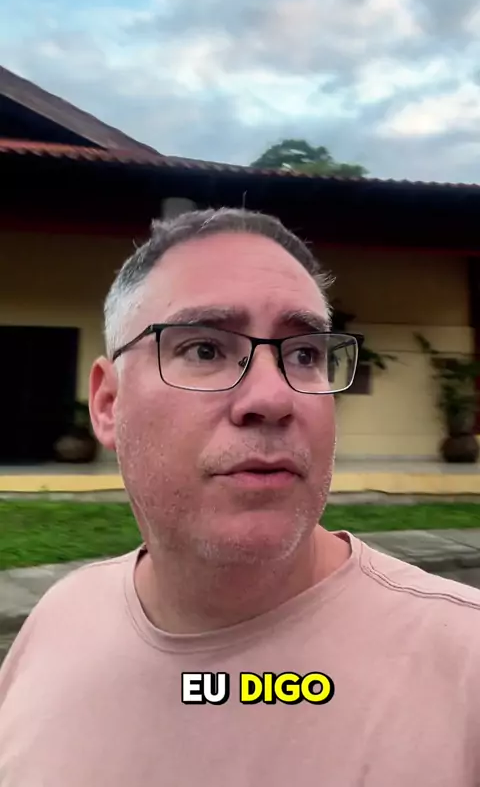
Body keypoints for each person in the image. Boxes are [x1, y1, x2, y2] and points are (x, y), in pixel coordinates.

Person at [0, 207, 479, 787]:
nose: (272, 398)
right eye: (205, 349)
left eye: (304, 354)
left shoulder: (463, 666)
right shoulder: (60, 621)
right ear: (108, 404)